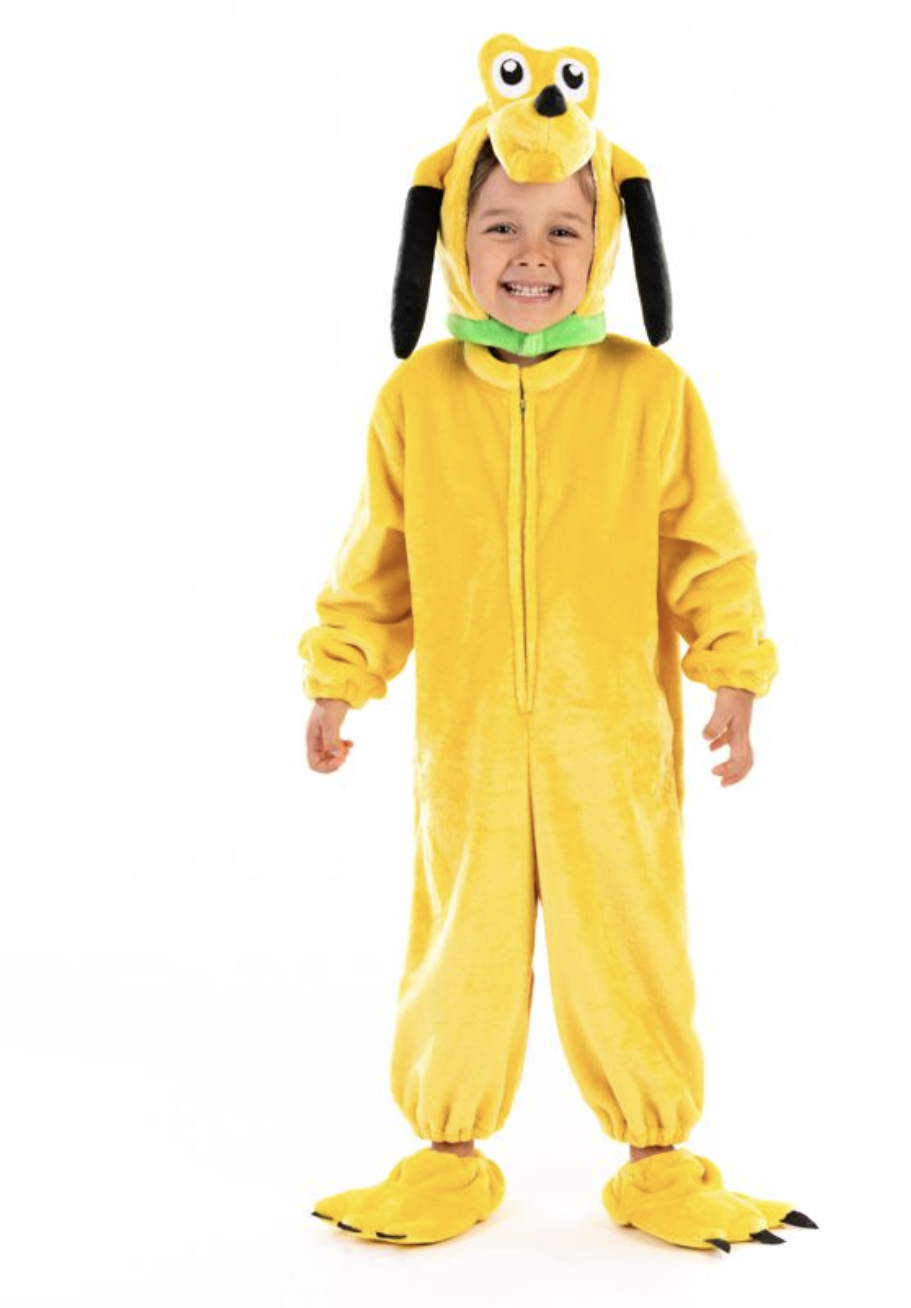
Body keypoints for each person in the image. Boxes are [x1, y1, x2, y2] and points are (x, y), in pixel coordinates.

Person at [298, 34, 816, 1251]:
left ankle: (659, 1158)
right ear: (452, 240)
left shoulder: (650, 393)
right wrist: (341, 678)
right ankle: (444, 1155)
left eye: (562, 231)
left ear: (606, 246)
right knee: (458, 946)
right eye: (501, 227)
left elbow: (707, 544)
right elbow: (376, 558)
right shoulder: (416, 400)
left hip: (610, 747)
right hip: (468, 752)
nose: (532, 254)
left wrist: (732, 669)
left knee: (629, 940)